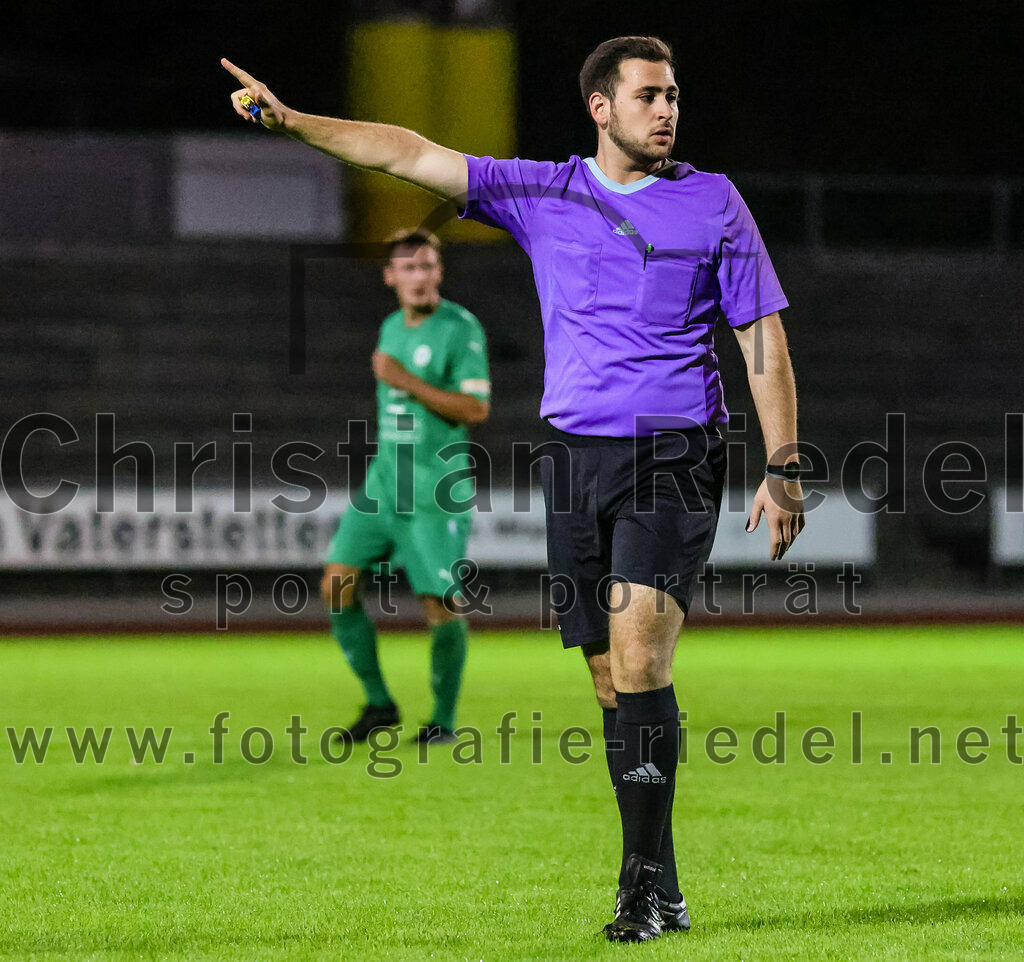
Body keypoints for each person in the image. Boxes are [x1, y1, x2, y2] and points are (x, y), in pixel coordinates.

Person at [223, 33, 805, 942]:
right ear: (600, 107)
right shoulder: (544, 191)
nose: (668, 110)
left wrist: (783, 463)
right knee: (612, 681)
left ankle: (638, 889)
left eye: (675, 95)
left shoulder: (714, 203)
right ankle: (668, 882)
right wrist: (296, 122)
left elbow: (760, 334)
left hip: (674, 454)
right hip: (573, 458)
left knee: (645, 658)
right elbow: (410, 151)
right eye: (649, 95)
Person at [318, 228, 491, 746]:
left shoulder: (460, 328)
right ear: (390, 276)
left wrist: (406, 382)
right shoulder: (391, 326)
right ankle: (379, 703)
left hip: (437, 488)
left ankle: (442, 718)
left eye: (428, 267)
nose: (420, 277)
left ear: (439, 272)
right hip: (384, 483)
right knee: (337, 586)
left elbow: (476, 408)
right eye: (409, 268)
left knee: (440, 604)